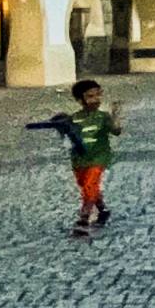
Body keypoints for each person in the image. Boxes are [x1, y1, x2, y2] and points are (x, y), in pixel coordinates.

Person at [59, 79, 121, 238]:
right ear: (80, 100)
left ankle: (83, 220)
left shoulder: (103, 117)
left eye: (98, 95)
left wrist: (116, 116)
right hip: (80, 159)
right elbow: (67, 133)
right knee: (86, 185)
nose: (95, 100)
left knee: (90, 184)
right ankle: (103, 210)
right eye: (90, 96)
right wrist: (60, 123)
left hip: (98, 156)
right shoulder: (74, 118)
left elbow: (116, 131)